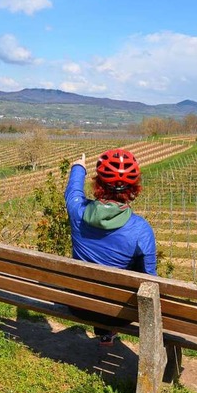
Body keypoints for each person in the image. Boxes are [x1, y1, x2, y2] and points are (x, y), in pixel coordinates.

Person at [65, 148, 157, 346]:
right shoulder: (141, 229)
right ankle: (107, 331)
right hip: (116, 314)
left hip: (78, 304)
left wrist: (78, 167)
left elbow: (73, 191)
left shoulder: (77, 212)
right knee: (133, 267)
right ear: (133, 188)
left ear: (98, 183)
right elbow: (150, 279)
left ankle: (104, 332)